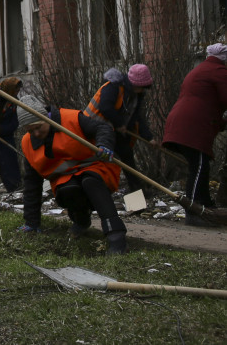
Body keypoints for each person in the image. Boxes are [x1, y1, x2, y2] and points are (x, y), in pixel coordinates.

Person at [18, 95, 126, 254]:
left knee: (90, 181)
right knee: (67, 190)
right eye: (30, 130)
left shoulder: (72, 119)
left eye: (38, 127)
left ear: (45, 118)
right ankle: (82, 220)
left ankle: (116, 236)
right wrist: (31, 222)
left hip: (96, 168)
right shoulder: (28, 144)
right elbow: (32, 185)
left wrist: (104, 144)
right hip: (66, 180)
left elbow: (102, 128)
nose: (36, 133)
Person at [162, 43, 227, 227]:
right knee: (198, 167)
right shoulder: (218, 71)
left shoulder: (200, 70)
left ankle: (205, 207)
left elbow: (205, 101)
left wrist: (221, 122)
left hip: (184, 123)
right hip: (192, 126)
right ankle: (193, 211)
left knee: (200, 165)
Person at [83, 65, 157, 194]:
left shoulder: (135, 95)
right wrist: (120, 124)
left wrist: (149, 137)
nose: (142, 90)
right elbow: (106, 108)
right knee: (103, 161)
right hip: (95, 128)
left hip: (113, 130)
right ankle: (99, 192)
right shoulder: (113, 87)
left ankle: (137, 191)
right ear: (133, 83)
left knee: (127, 156)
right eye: (140, 87)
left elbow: (136, 118)